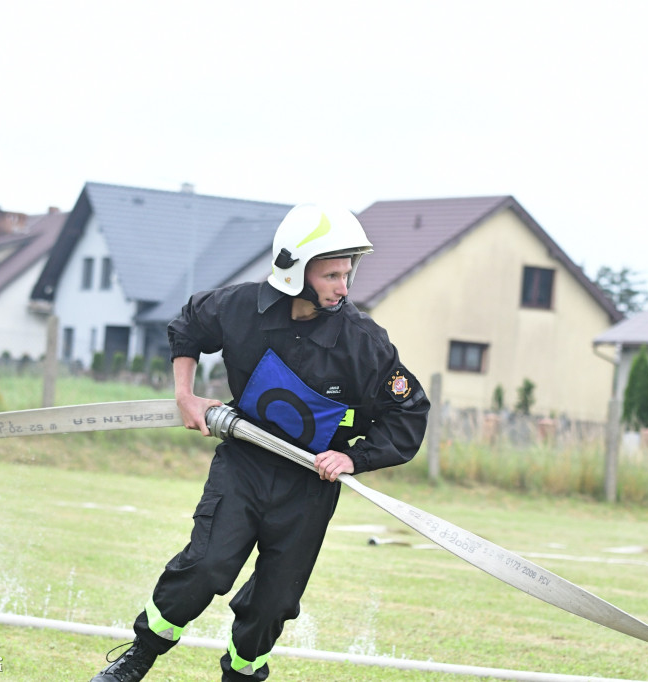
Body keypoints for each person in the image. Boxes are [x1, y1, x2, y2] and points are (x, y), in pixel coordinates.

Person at [90, 204, 430, 682]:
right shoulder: (240, 307)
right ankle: (141, 654)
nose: (344, 286)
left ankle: (243, 673)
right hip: (244, 465)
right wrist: (185, 396)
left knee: (274, 601)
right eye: (332, 274)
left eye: (346, 273)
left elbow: (409, 411)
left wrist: (353, 457)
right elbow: (188, 326)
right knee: (206, 566)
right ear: (295, 270)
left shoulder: (363, 341)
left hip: (308, 484)